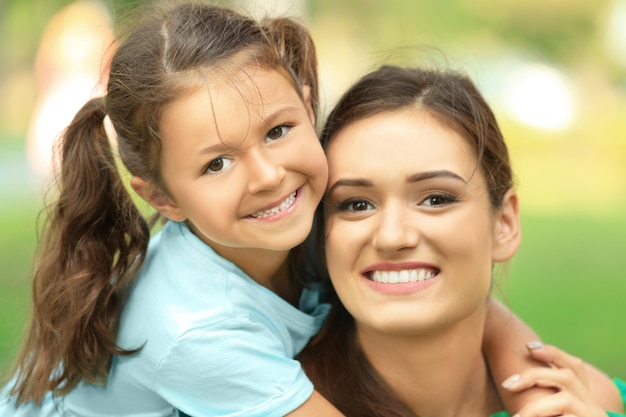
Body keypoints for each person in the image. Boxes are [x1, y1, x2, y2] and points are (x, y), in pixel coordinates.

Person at [0, 2, 588, 416]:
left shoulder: (298, 220)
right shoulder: (197, 331)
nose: (268, 175)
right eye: (217, 164)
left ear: (308, 106)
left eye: (278, 130)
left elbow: (478, 302)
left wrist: (531, 392)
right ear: (162, 198)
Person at [297, 64, 626, 417]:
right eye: (356, 204)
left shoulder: (587, 404)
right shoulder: (266, 400)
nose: (392, 236)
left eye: (436, 199)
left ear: (505, 223)